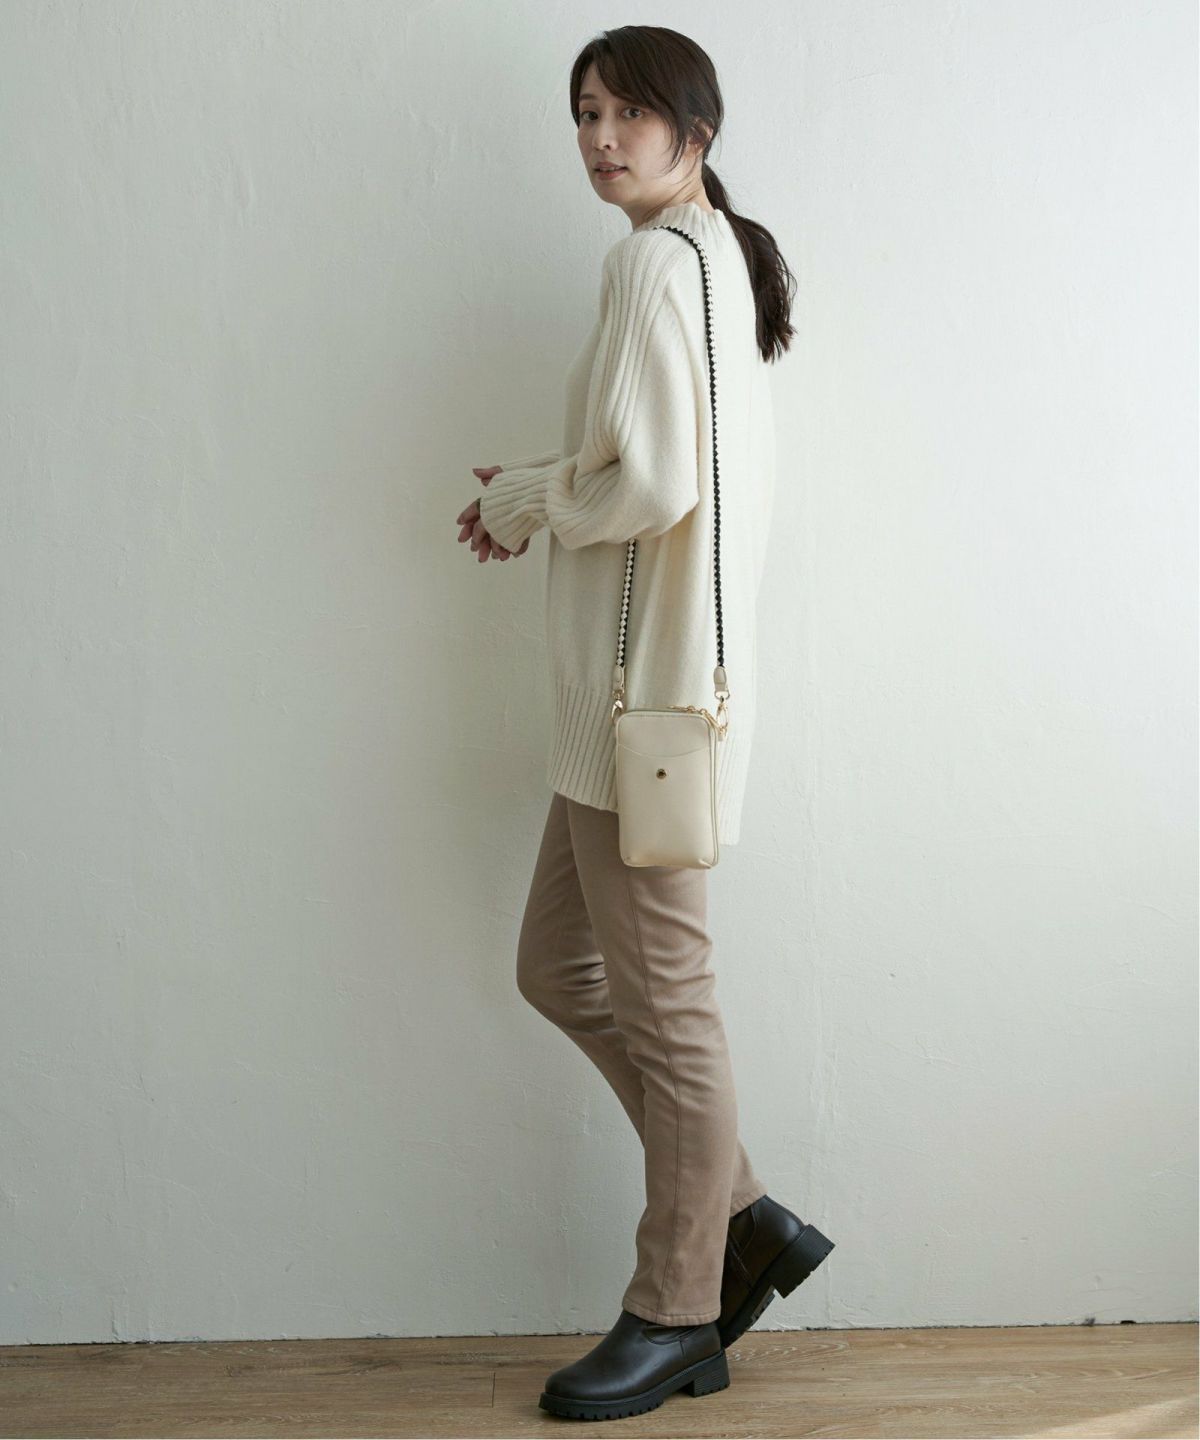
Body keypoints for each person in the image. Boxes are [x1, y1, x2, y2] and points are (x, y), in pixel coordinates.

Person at [455, 26, 835, 1422]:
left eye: (627, 113)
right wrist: (543, 491)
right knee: (556, 968)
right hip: (632, 710)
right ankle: (747, 1212)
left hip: (644, 713)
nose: (599, 138)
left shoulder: (652, 264)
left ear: (696, 131)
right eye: (584, 113)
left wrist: (532, 501)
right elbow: (649, 467)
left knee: (669, 1014)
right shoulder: (711, 253)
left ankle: (678, 1306)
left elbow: (655, 484)